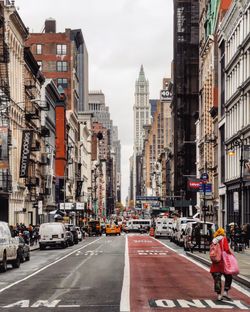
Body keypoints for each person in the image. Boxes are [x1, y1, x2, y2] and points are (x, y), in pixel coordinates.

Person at [210, 227, 233, 301]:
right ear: (223, 233)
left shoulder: (214, 240)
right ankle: (226, 291)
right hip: (223, 262)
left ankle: (219, 294)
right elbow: (226, 249)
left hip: (215, 262)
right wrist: (232, 255)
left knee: (217, 279)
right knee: (229, 276)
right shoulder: (224, 239)